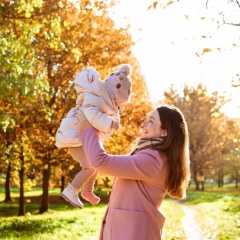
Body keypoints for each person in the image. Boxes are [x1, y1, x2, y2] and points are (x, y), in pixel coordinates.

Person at [78, 105, 191, 240]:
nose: (144, 124)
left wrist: (88, 128)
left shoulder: (152, 160)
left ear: (164, 132)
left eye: (151, 121)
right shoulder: (149, 156)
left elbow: (100, 161)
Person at [56, 64, 132, 209]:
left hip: (80, 137)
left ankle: (87, 192)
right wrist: (109, 123)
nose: (119, 104)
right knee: (90, 167)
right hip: (74, 137)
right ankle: (71, 190)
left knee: (95, 164)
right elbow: (92, 116)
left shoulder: (102, 100)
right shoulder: (95, 98)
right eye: (120, 100)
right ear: (115, 91)